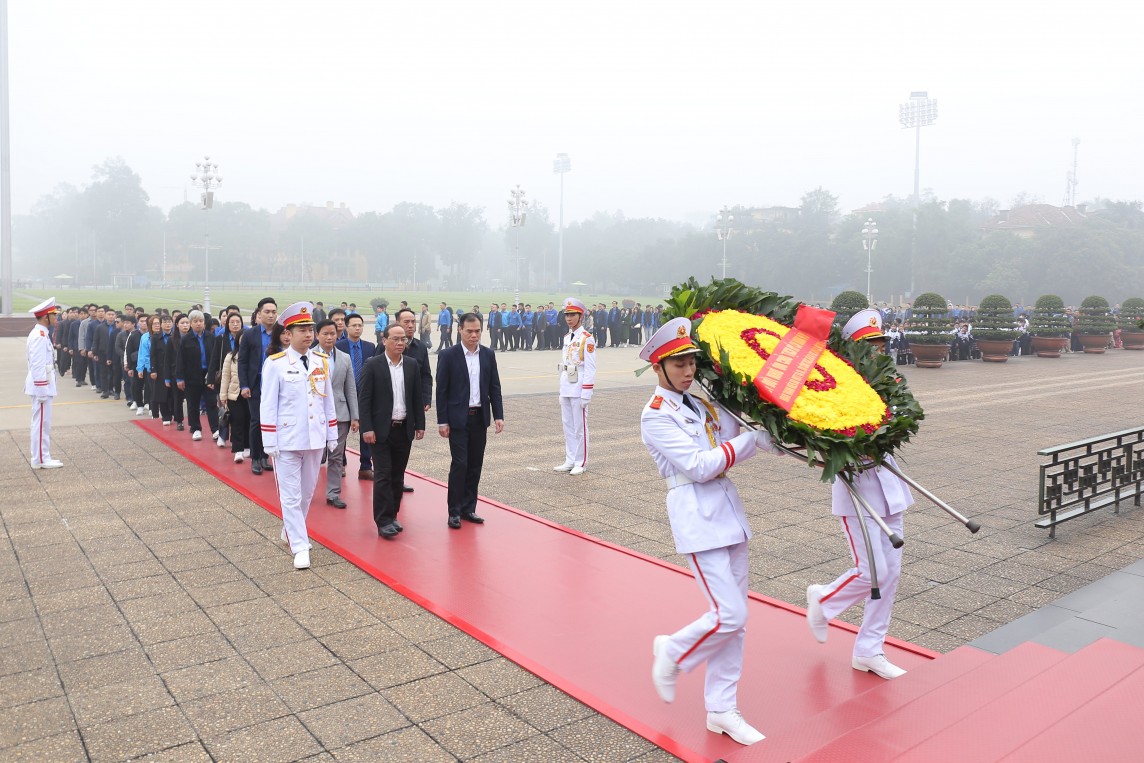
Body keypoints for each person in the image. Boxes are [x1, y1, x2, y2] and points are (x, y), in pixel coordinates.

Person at [641, 317, 778, 747]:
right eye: (677, 363)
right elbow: (701, 465)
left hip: (728, 513)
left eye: (690, 363)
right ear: (658, 368)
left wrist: (774, 427)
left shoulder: (701, 405)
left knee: (736, 623)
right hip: (696, 515)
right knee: (730, 613)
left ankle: (722, 709)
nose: (687, 371)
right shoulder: (655, 416)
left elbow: (736, 442)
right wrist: (749, 441)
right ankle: (674, 652)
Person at [805, 309, 914, 680]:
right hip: (856, 487)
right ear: (852, 352)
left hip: (888, 483)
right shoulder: (832, 388)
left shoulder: (891, 383)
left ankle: (869, 650)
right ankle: (824, 600)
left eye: (881, 343)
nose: (878, 351)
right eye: (869, 346)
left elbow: (902, 421)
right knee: (873, 571)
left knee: (892, 574)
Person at [261, 302, 338, 570]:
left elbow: (326, 401)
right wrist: (269, 441)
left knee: (307, 494)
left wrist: (332, 434)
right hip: (287, 438)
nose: (308, 334)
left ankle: (290, 531)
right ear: (288, 334)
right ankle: (300, 546)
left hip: (315, 437)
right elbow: (268, 404)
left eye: (310, 329)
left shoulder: (321, 362)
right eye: (302, 330)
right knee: (290, 497)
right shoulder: (276, 364)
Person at [436, 313, 504, 529]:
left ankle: (469, 508)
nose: (474, 335)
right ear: (460, 331)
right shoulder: (448, 355)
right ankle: (454, 511)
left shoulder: (488, 355)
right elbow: (442, 390)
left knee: (475, 465)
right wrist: (442, 421)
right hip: (457, 419)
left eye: (477, 331)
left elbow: (495, 387)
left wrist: (498, 415)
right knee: (460, 464)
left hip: (479, 418)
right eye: (469, 331)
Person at [359, 323, 425, 538]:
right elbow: (365, 399)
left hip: (403, 429)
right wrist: (366, 428)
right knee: (383, 475)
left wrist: (420, 425)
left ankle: (393, 515)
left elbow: (417, 397)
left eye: (403, 339)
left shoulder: (412, 365)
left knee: (397, 476)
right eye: (395, 339)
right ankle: (383, 520)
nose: (400, 343)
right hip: (380, 431)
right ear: (383, 340)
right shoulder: (373, 365)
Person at [317, 318, 358, 508]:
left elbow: (350, 389)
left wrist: (355, 416)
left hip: (340, 414)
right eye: (325, 333)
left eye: (332, 333)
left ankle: (333, 493)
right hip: (315, 414)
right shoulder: (308, 357)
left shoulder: (345, 358)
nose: (329, 337)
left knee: (336, 455)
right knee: (314, 455)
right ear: (317, 335)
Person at [554, 298, 597, 475]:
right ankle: (570, 459)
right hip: (566, 383)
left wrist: (587, 392)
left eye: (572, 315)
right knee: (568, 425)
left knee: (580, 426)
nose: (569, 318)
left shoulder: (587, 339)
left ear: (580, 316)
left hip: (579, 385)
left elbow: (590, 367)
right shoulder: (567, 337)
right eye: (567, 315)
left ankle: (581, 461)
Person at [239, 298, 278, 475]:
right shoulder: (249, 334)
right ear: (259, 314)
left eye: (273, 312)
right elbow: (243, 361)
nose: (270, 315)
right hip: (255, 384)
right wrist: (244, 385)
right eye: (267, 312)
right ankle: (255, 457)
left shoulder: (281, 333)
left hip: (275, 385)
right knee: (256, 420)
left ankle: (265, 455)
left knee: (271, 421)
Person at [336, 313, 376, 480]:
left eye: (360, 325)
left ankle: (366, 466)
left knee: (366, 430)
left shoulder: (369, 347)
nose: (357, 328)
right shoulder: (339, 346)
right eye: (354, 325)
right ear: (346, 327)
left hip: (365, 395)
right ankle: (341, 462)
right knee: (343, 430)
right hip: (345, 395)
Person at [396, 307, 432, 494]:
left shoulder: (420, 348)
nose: (410, 326)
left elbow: (426, 375)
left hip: (411, 404)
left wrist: (426, 398)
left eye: (413, 322)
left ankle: (399, 479)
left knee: (405, 445)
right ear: (397, 324)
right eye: (406, 322)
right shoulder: (384, 346)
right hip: (391, 404)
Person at [26, 298, 63, 469]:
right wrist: (42, 390)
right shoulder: (39, 336)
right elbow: (38, 364)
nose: (56, 317)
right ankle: (41, 459)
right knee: (41, 424)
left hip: (44, 385)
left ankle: (42, 456)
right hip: (42, 386)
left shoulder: (42, 333)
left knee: (43, 423)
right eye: (53, 315)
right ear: (45, 317)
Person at [175, 310, 220, 441]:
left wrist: (214, 375)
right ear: (190, 324)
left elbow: (215, 357)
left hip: (208, 375)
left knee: (211, 403)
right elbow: (180, 360)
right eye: (195, 321)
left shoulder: (211, 337)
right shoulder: (186, 339)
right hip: (192, 376)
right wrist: (180, 378)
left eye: (201, 321)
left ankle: (215, 429)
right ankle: (196, 428)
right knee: (193, 403)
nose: (198, 324)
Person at [218, 313, 250, 461]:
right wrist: (223, 396)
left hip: (250, 394)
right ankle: (237, 449)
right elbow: (225, 377)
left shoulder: (255, 356)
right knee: (237, 420)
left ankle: (248, 446)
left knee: (249, 420)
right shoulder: (231, 356)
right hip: (234, 394)